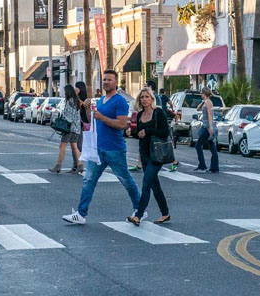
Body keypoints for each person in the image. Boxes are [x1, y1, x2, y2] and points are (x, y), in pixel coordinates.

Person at [63, 70, 140, 225]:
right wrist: (85, 108)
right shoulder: (101, 100)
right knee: (88, 180)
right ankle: (81, 214)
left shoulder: (120, 101)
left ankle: (139, 209)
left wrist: (102, 117)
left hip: (114, 148)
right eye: (104, 80)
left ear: (116, 82)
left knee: (125, 179)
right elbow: (92, 120)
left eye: (110, 80)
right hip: (98, 149)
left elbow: (121, 124)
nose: (106, 82)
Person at [128, 87, 172, 226]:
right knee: (155, 186)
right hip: (145, 154)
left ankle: (138, 215)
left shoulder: (158, 112)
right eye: (142, 97)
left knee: (146, 184)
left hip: (156, 154)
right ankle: (165, 213)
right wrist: (133, 133)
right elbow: (139, 134)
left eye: (147, 97)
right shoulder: (140, 115)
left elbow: (164, 131)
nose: (144, 99)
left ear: (152, 99)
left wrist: (147, 130)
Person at [49, 84, 82, 174]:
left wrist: (62, 120)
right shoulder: (76, 101)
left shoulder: (70, 101)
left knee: (62, 146)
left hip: (69, 128)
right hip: (76, 128)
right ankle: (79, 164)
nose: (64, 93)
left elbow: (69, 116)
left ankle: (58, 165)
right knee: (74, 146)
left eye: (65, 91)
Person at [195, 87, 219, 173]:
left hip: (207, 127)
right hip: (206, 126)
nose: (200, 95)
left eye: (201, 93)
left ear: (204, 94)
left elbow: (210, 115)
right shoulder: (205, 102)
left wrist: (210, 127)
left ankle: (202, 166)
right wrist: (202, 103)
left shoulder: (208, 102)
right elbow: (198, 109)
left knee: (198, 145)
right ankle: (214, 167)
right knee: (211, 146)